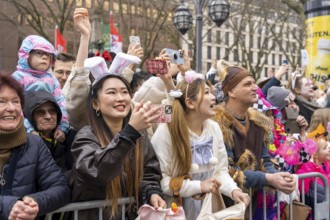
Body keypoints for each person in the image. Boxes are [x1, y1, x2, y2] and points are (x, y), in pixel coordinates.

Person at [151, 70, 250, 219]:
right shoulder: (167, 131)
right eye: (207, 93)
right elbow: (161, 181)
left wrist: (233, 191)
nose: (213, 97)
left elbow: (220, 172)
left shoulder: (214, 128)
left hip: (208, 209)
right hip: (175, 211)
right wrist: (199, 186)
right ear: (190, 102)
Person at [71, 73, 166, 219]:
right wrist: (130, 133)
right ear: (96, 103)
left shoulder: (139, 135)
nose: (120, 98)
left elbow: (148, 173)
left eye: (124, 92)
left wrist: (151, 191)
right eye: (112, 92)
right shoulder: (86, 136)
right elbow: (95, 172)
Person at [212, 64, 296, 212]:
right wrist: (268, 179)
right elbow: (229, 171)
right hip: (222, 204)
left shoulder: (258, 122)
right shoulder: (218, 124)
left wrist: (278, 177)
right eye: (247, 84)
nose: (255, 88)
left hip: (251, 203)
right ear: (231, 91)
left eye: (254, 83)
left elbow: (265, 160)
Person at [0, 73, 70, 219]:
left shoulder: (34, 144)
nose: (11, 108)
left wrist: (35, 202)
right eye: (2, 102)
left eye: (16, 101)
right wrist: (8, 206)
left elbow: (60, 188)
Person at [11, 34, 69, 142]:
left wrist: (62, 127)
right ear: (26, 55)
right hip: (24, 133)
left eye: (48, 54)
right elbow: (15, 107)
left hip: (50, 131)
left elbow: (61, 102)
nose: (44, 57)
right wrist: (28, 129)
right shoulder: (18, 78)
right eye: (39, 53)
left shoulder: (51, 79)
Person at [23, 90, 75, 175]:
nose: (48, 116)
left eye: (52, 111)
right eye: (40, 112)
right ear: (30, 116)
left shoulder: (69, 137)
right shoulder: (25, 144)